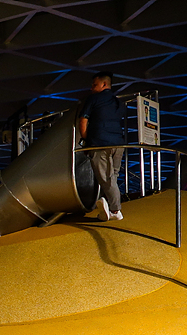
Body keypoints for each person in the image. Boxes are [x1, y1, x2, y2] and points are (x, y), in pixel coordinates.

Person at [78, 71, 126, 222]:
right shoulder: (119, 103)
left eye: (94, 84)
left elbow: (83, 121)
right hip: (119, 143)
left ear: (104, 84)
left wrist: (86, 140)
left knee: (106, 178)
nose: (91, 88)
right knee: (113, 176)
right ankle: (109, 205)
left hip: (100, 143)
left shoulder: (93, 99)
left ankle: (115, 210)